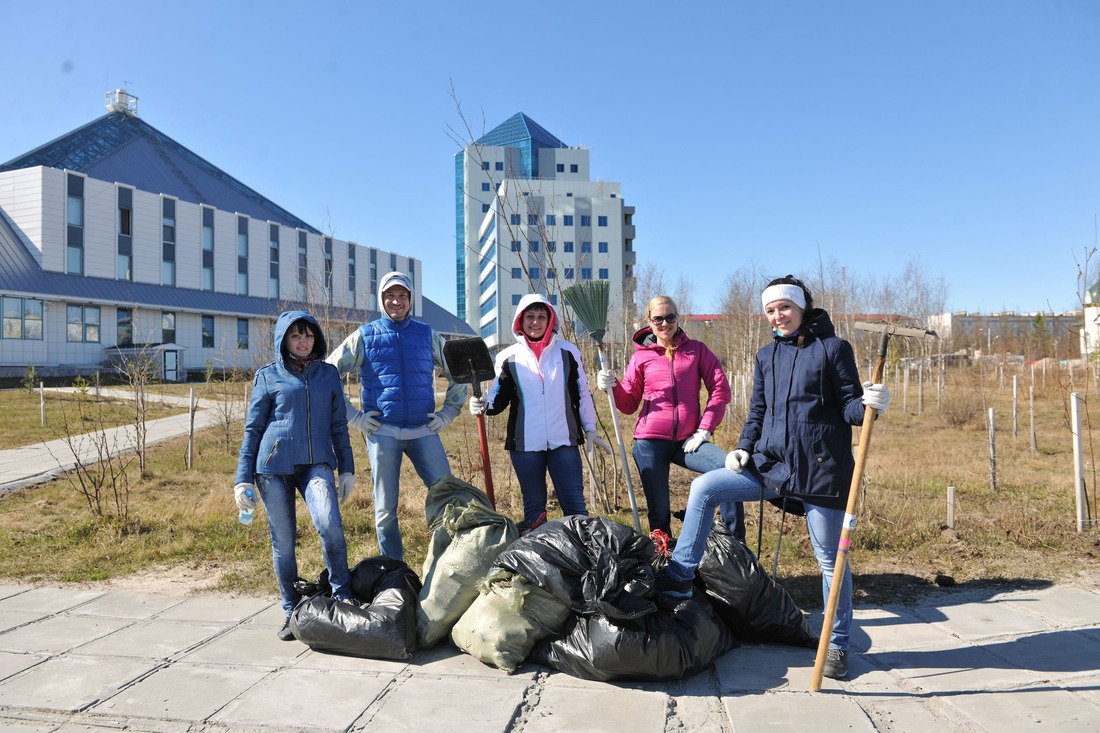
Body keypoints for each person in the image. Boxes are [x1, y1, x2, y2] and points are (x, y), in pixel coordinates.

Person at [656, 275, 891, 680]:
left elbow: (851, 409)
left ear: (802, 307)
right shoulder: (766, 356)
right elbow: (757, 412)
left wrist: (872, 403)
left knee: (831, 560)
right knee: (705, 486)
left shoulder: (833, 349)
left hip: (822, 471)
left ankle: (837, 645)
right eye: (770, 310)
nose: (777, 316)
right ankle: (678, 577)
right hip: (772, 466)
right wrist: (744, 446)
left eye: (784, 307)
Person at [233, 310, 357, 641]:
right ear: (284, 340)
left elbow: (338, 424)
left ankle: (342, 595)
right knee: (283, 541)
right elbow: (254, 428)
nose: (303, 342)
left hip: (316, 462)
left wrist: (347, 468)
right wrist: (242, 478)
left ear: (316, 339)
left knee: (329, 524)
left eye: (308, 336)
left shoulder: (328, 375)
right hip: (273, 469)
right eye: (295, 336)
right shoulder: (268, 376)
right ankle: (290, 610)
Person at [326, 271, 468, 561]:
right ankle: (393, 570)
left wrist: (449, 412)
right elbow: (328, 373)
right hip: (383, 433)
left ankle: (446, 563)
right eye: (390, 295)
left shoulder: (426, 334)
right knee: (384, 510)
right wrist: (354, 417)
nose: (396, 301)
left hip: (424, 431)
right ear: (381, 299)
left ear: (410, 299)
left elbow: (459, 372)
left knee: (448, 500)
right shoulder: (365, 336)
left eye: (403, 295)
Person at [596, 295, 744, 542]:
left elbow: (720, 389)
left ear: (678, 318)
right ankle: (664, 559)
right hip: (650, 442)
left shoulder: (697, 350)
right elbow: (629, 404)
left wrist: (705, 429)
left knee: (728, 473)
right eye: (658, 319)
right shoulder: (641, 357)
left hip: (690, 440)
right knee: (659, 512)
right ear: (649, 321)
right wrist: (612, 387)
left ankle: (736, 547)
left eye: (670, 317)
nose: (665, 323)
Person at [469, 294, 612, 532]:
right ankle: (541, 562)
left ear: (550, 320)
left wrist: (590, 429)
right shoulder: (508, 357)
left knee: (575, 507)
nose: (535, 322)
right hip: (525, 446)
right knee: (535, 510)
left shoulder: (567, 352)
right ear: (520, 321)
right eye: (530, 317)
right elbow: (497, 401)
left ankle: (583, 558)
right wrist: (482, 404)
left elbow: (582, 393)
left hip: (564, 441)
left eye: (541, 317)